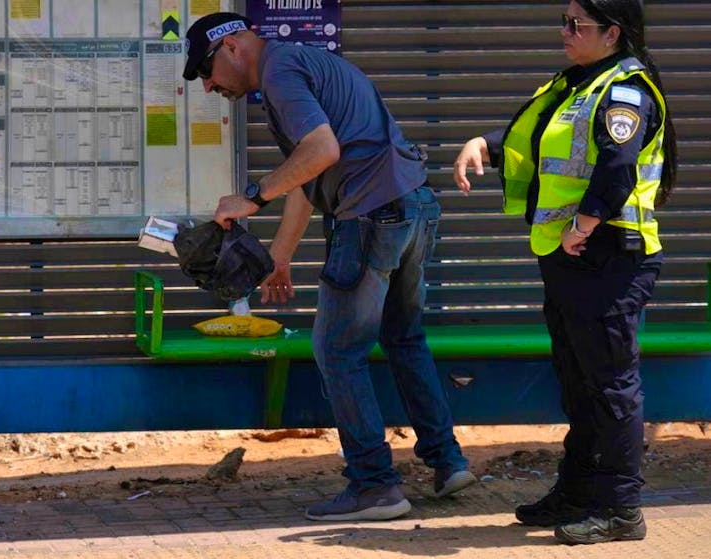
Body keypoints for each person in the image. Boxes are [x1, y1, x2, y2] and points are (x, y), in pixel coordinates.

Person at [182, 12, 476, 521]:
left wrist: (251, 197)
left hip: (371, 215)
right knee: (403, 338)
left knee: (337, 349)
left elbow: (321, 150)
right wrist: (280, 258)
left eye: (206, 71)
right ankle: (447, 462)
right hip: (411, 205)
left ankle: (374, 485)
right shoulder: (303, 61)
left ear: (230, 46)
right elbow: (309, 173)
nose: (208, 85)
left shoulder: (279, 73)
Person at [453, 0, 676, 545]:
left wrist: (584, 222)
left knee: (611, 386)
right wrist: (486, 143)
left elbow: (616, 165)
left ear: (612, 32)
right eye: (565, 20)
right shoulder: (577, 84)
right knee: (579, 383)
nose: (566, 31)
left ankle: (622, 509)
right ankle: (577, 492)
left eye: (578, 24)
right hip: (569, 258)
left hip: (609, 257)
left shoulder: (625, 90)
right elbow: (545, 151)